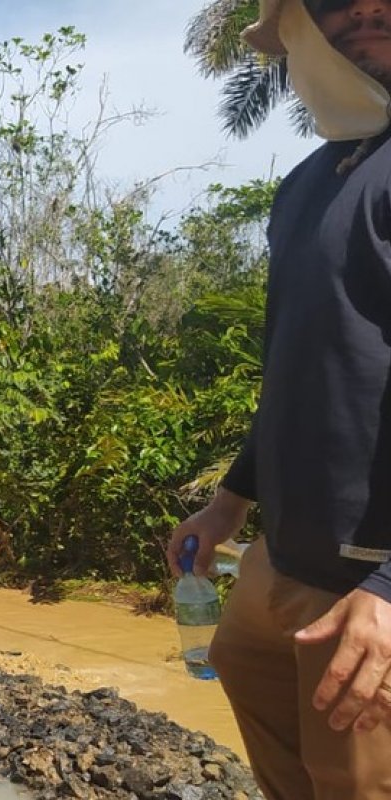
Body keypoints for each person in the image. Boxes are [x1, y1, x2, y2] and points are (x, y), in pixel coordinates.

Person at [167, 1, 391, 796]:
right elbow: (296, 367)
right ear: (301, 29)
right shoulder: (306, 185)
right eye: (335, 0)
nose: (364, 10)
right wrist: (229, 504)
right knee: (245, 683)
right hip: (284, 562)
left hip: (372, 591)